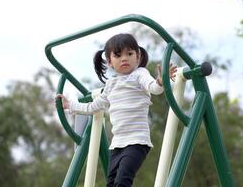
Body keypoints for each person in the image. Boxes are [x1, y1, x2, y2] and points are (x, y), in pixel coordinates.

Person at [56, 33, 177, 187]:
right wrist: (70, 105)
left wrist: (161, 81)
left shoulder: (140, 75)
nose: (124, 58)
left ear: (138, 56)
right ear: (110, 62)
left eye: (129, 53)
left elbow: (153, 88)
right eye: (118, 55)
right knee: (111, 183)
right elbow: (93, 107)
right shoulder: (111, 85)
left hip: (137, 141)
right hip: (117, 144)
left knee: (122, 181)